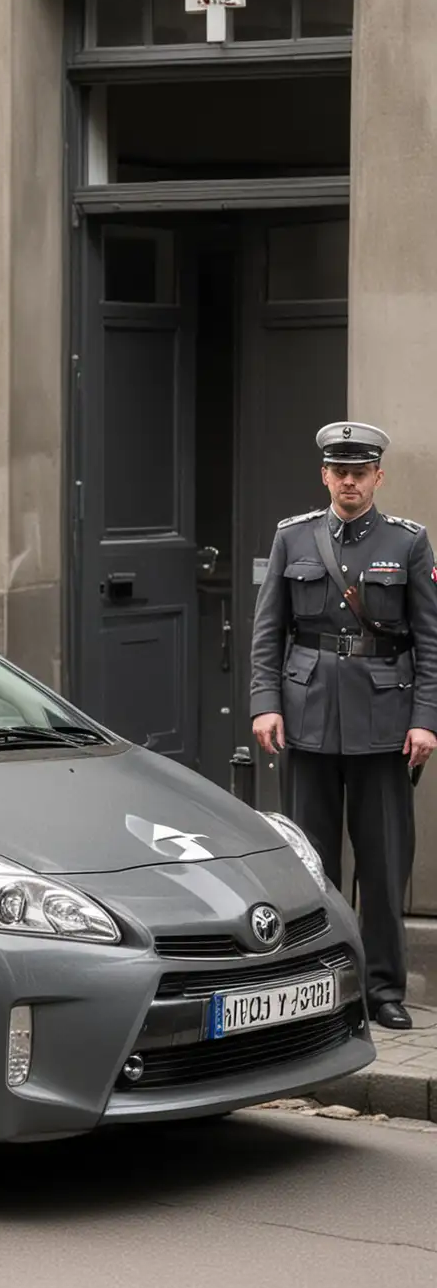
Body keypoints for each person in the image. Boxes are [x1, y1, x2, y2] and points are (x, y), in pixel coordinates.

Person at [250, 421, 437, 1032]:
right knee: (312, 864)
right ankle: (318, 986)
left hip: (384, 724)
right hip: (305, 721)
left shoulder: (408, 543)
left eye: (361, 472)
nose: (350, 482)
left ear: (378, 477)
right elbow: (269, 631)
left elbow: (430, 644)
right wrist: (265, 702)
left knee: (383, 867)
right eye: (340, 471)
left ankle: (383, 990)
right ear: (325, 475)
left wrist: (426, 720)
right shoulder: (293, 538)